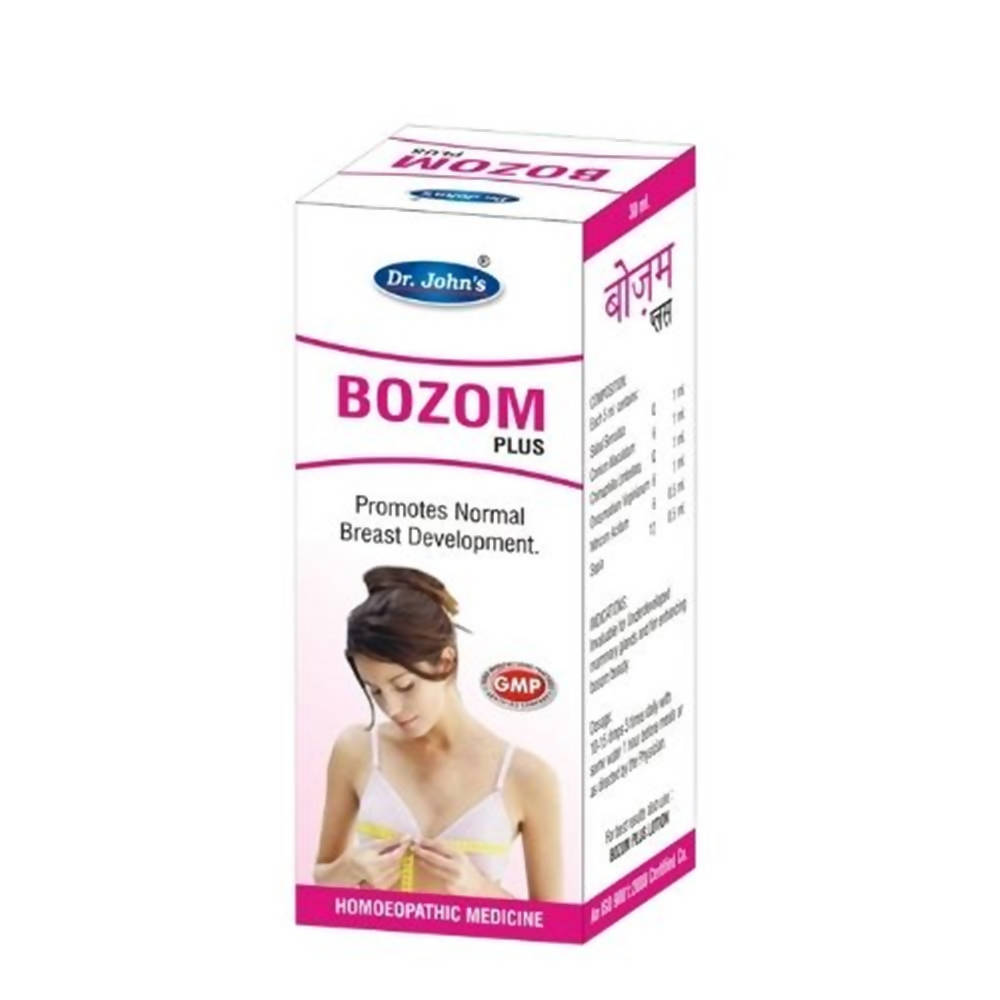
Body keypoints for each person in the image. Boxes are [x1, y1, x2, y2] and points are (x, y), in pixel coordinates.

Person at [314, 565, 563, 900]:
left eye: (404, 686)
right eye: (375, 691)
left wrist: (481, 890)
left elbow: (552, 923)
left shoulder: (527, 777)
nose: (392, 708)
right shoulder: (356, 750)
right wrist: (351, 868)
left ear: (446, 661)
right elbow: (322, 879)